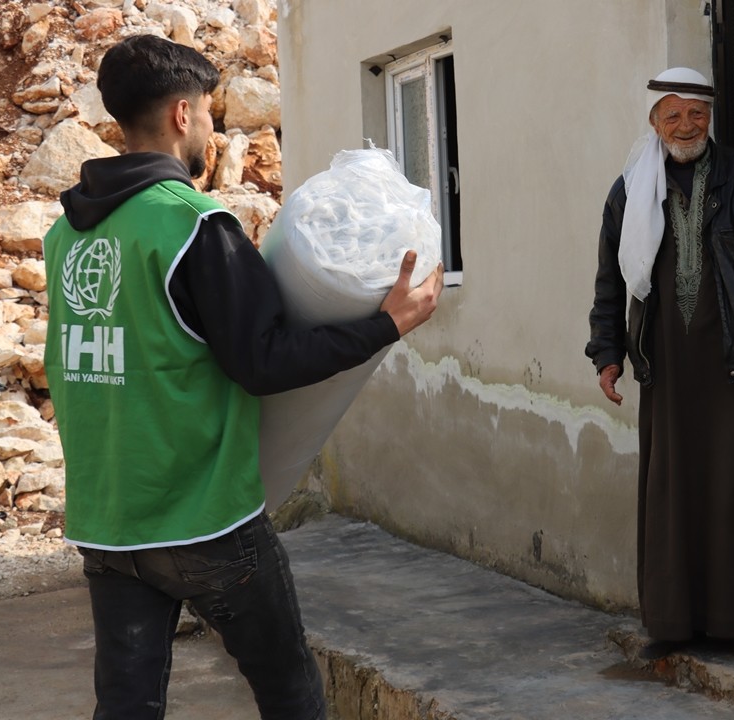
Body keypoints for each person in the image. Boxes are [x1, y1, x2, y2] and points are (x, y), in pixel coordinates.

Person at [42, 34, 444, 719]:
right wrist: (386, 326)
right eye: (207, 112)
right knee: (289, 693)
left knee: (126, 706)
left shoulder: (68, 235)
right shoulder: (193, 226)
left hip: (109, 523)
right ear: (181, 114)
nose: (212, 129)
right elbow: (265, 361)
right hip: (203, 520)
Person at [585, 67, 734, 662]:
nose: (686, 125)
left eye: (697, 113)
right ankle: (670, 625)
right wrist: (607, 352)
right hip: (666, 365)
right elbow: (611, 280)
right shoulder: (629, 190)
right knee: (669, 492)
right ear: (654, 122)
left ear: (710, 117)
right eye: (673, 114)